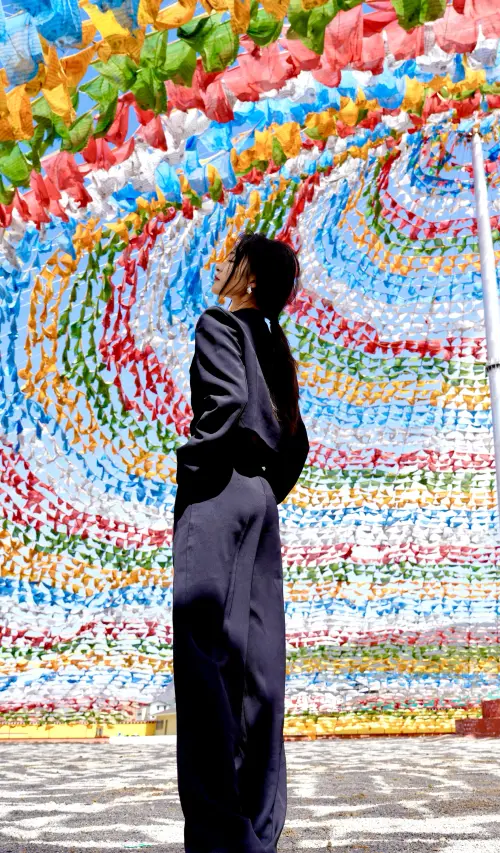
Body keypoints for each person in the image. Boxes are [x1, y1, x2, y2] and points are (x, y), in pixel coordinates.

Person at [171, 231, 309, 853]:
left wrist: (194, 470)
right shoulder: (278, 350)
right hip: (260, 500)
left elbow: (221, 407)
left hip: (221, 491)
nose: (221, 268)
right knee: (260, 668)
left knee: (204, 664)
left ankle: (219, 836)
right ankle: (257, 828)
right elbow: (297, 443)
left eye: (231, 261)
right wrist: (264, 486)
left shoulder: (219, 324)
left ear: (248, 278)